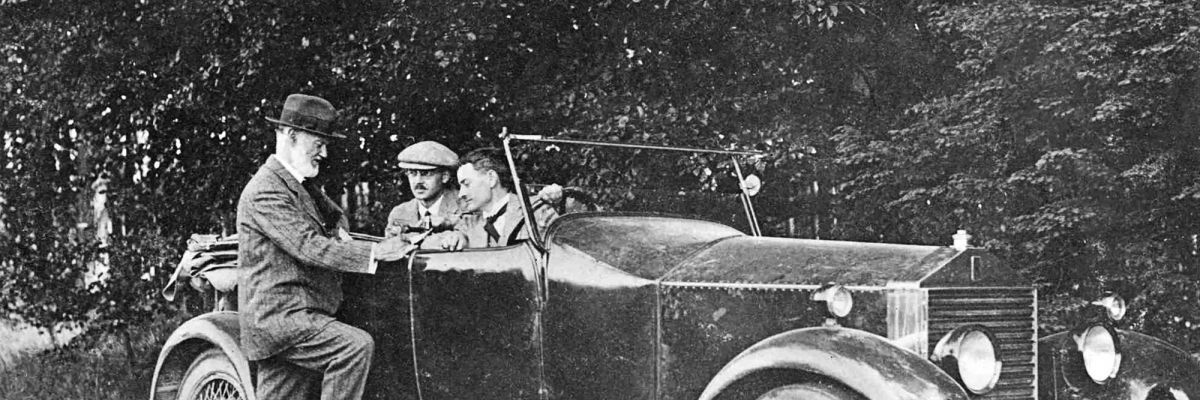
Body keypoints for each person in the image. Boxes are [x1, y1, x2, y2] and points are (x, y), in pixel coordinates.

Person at [237, 93, 415, 400]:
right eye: (318, 143)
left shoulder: (299, 184)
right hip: (282, 320)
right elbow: (308, 246)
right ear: (291, 136)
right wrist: (376, 252)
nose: (324, 153)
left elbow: (336, 217)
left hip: (293, 320)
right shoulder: (265, 190)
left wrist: (340, 233)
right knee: (354, 348)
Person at [434, 147, 561, 250]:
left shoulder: (536, 211)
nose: (461, 194)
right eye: (460, 186)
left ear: (491, 178)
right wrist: (454, 237)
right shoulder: (469, 224)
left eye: (466, 184)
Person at [383, 141, 463, 244]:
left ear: (444, 177)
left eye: (426, 173)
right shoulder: (400, 213)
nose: (418, 181)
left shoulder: (464, 207)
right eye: (412, 173)